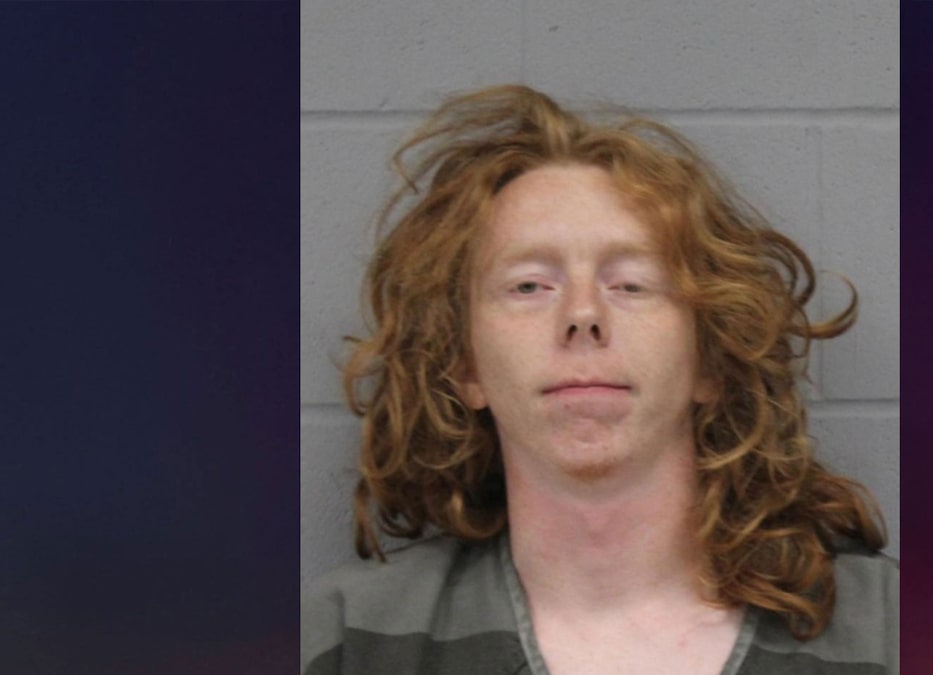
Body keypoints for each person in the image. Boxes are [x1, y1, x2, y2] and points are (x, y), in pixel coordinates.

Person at [302, 85, 897, 675]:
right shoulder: (348, 640)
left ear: (712, 360)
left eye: (631, 283)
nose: (583, 313)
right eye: (529, 286)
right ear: (465, 366)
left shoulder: (890, 630)